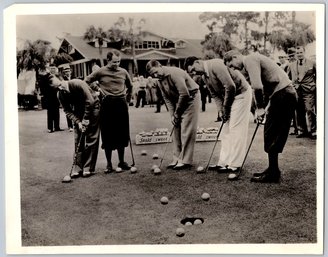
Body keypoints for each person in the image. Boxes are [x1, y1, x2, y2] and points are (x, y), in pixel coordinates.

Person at [224, 50, 297, 183]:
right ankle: (272, 170)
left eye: (232, 65)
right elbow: (263, 86)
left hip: (284, 95)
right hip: (281, 95)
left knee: (272, 133)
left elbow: (257, 87)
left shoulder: (250, 59)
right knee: (270, 133)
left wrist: (260, 108)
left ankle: (273, 173)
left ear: (235, 57)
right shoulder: (249, 63)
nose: (233, 69)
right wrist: (263, 106)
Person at [189, 58, 252, 174]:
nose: (194, 73)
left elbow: (230, 86)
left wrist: (226, 108)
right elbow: (214, 94)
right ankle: (223, 162)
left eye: (193, 69)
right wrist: (221, 111)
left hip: (241, 95)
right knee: (225, 130)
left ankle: (235, 164)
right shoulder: (204, 77)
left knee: (236, 129)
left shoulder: (216, 65)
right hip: (230, 97)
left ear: (197, 62)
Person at [146, 60, 200, 170]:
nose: (155, 75)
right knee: (175, 126)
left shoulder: (174, 73)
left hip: (191, 98)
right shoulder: (159, 80)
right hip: (178, 100)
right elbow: (167, 99)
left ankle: (185, 160)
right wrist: (172, 115)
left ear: (160, 66)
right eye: (152, 74)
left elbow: (184, 94)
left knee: (186, 128)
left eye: (156, 72)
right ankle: (176, 158)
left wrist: (177, 113)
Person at [85, 49, 133, 173]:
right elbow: (86, 81)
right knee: (108, 133)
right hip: (106, 104)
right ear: (108, 60)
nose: (116, 65)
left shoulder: (123, 71)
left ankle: (121, 162)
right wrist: (97, 89)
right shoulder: (100, 71)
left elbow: (130, 86)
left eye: (118, 62)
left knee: (122, 133)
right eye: (114, 62)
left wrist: (127, 99)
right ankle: (109, 164)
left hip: (121, 104)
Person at [47, 74, 100, 177]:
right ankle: (78, 166)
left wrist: (85, 119)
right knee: (78, 138)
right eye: (57, 88)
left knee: (91, 137)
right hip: (79, 110)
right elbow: (67, 111)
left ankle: (88, 167)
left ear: (61, 81)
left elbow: (90, 101)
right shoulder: (60, 94)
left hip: (93, 108)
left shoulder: (78, 83)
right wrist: (78, 122)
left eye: (61, 86)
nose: (61, 89)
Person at [288, 46, 316, 139]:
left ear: (304, 52)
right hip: (296, 91)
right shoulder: (291, 65)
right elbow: (288, 78)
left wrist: (314, 86)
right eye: (297, 53)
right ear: (295, 54)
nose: (299, 54)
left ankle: (313, 131)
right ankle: (301, 130)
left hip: (309, 90)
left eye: (301, 52)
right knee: (299, 111)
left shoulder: (312, 63)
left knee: (309, 110)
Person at [43, 66, 63, 133]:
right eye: (51, 68)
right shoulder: (47, 76)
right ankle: (50, 128)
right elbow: (45, 86)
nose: (53, 70)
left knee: (57, 112)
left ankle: (57, 127)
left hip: (56, 96)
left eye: (54, 68)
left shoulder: (57, 76)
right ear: (49, 69)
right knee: (50, 113)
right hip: (49, 97)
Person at [58, 63, 74, 132]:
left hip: (73, 96)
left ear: (70, 71)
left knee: (75, 110)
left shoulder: (74, 78)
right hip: (66, 97)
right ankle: (70, 126)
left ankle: (75, 124)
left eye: (68, 71)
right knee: (68, 111)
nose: (67, 72)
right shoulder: (63, 79)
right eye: (66, 71)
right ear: (64, 73)